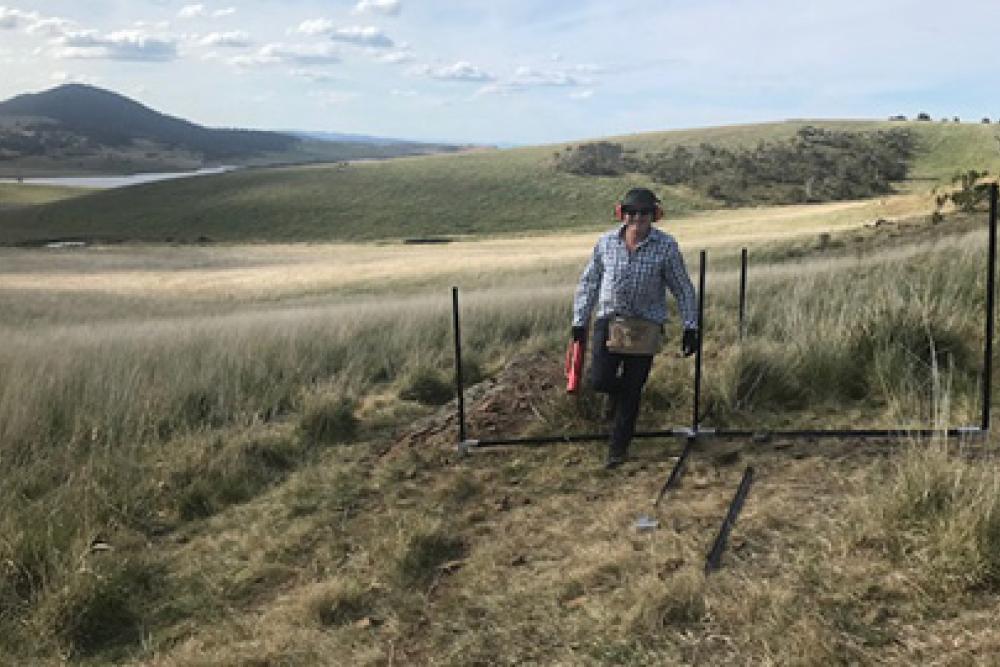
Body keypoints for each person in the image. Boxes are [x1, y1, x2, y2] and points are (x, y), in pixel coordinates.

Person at [571, 187, 699, 469]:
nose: (637, 217)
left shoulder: (666, 246)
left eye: (644, 212)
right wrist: (579, 321)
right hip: (609, 320)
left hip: (646, 326)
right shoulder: (605, 243)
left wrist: (691, 326)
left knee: (633, 389)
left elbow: (683, 288)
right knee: (599, 380)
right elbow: (589, 283)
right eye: (632, 212)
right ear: (622, 213)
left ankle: (618, 448)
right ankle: (613, 398)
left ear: (655, 215)